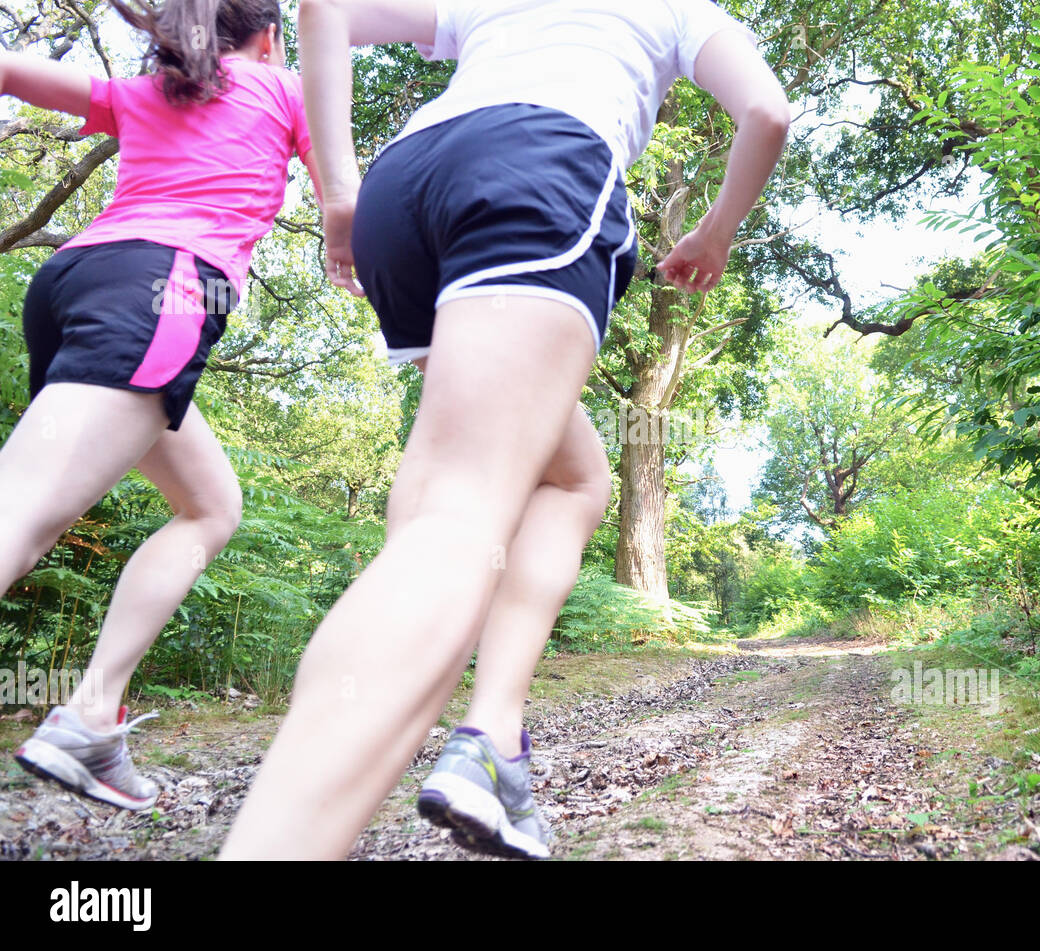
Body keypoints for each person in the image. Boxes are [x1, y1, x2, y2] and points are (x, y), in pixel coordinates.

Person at [220, 0, 789, 860]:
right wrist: (714, 232)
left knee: (565, 479)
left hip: (405, 191)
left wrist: (340, 191)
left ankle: (495, 739)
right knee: (460, 513)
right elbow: (767, 112)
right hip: (537, 171)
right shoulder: (681, 10)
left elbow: (324, 8)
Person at [5, 0, 319, 811]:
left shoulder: (152, 90)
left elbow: (13, 72)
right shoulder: (285, 88)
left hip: (79, 282)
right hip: (165, 289)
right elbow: (345, 189)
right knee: (21, 518)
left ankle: (89, 716)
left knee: (210, 505)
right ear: (269, 37)